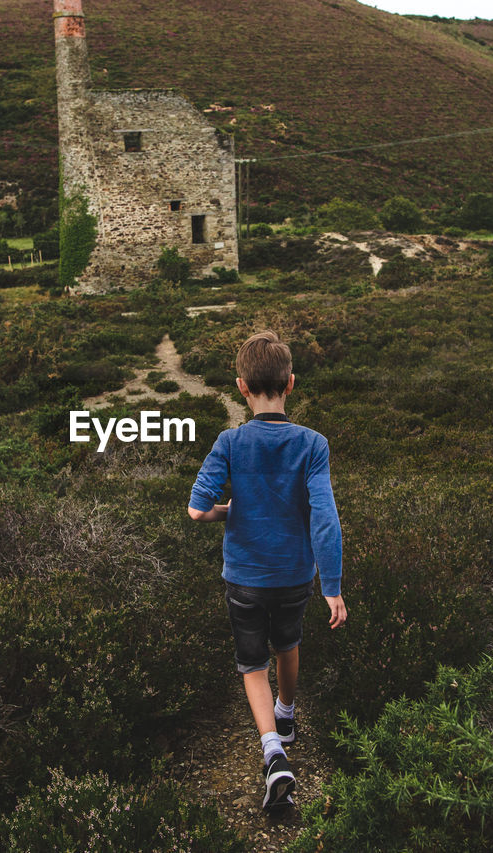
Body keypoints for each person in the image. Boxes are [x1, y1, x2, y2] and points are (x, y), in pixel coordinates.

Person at [187, 330, 347, 811]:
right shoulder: (312, 444)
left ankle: (273, 752)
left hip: (244, 577)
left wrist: (226, 512)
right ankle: (289, 715)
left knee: (252, 663)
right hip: (296, 575)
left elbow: (197, 510)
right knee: (288, 643)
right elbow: (325, 517)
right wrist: (332, 588)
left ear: (241, 386)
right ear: (291, 384)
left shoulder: (229, 442)